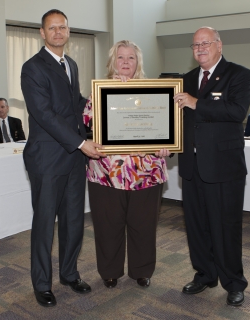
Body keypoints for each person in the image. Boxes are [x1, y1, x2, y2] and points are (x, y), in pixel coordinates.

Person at [20, 9, 104, 308]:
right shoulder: (32, 68)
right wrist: (82, 142)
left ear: (68, 31)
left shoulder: (71, 63)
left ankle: (69, 273)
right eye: (52, 28)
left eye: (63, 27)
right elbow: (44, 114)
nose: (58, 32)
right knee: (44, 224)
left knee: (73, 220)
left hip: (72, 158)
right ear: (42, 33)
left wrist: (106, 103)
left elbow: (75, 104)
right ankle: (42, 284)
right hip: (47, 159)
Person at [174, 27, 250, 306]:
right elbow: (177, 121)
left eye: (206, 43)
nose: (200, 48)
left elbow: (236, 112)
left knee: (225, 227)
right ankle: (204, 274)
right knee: (196, 226)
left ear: (219, 45)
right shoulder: (184, 80)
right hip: (191, 166)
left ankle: (233, 282)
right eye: (195, 44)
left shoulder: (239, 74)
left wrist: (196, 103)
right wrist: (167, 142)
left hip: (223, 167)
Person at [83, 40, 170, 289]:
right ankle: (109, 271)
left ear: (138, 62)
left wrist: (168, 146)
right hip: (106, 172)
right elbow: (86, 124)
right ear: (113, 62)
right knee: (108, 225)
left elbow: (167, 127)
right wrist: (113, 94)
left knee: (143, 225)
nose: (125, 63)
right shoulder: (98, 92)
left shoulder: (155, 91)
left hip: (147, 173)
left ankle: (142, 270)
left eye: (131, 58)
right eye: (120, 58)